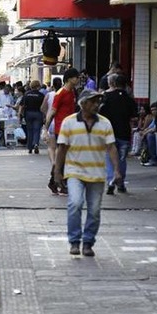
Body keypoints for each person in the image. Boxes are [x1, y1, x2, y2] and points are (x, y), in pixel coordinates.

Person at [54, 89, 121, 258]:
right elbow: (62, 148)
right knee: (75, 203)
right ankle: (75, 241)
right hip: (74, 171)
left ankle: (88, 242)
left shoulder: (105, 123)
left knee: (94, 210)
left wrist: (117, 171)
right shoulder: (69, 122)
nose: (96, 105)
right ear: (83, 104)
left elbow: (111, 147)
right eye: (93, 102)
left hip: (97, 173)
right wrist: (57, 172)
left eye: (98, 102)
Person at [99, 74, 137, 195]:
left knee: (109, 158)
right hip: (124, 132)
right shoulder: (130, 99)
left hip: (109, 132)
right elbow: (134, 117)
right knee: (122, 159)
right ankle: (121, 183)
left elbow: (100, 113)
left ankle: (111, 181)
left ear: (113, 84)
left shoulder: (106, 97)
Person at [44, 68, 80, 195]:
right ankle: (59, 182)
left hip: (70, 129)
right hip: (61, 129)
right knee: (63, 156)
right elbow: (52, 112)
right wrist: (45, 130)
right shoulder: (61, 93)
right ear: (69, 78)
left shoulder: (72, 92)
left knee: (65, 157)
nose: (78, 79)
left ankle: (54, 182)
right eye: (76, 77)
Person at [41, 77, 63, 193]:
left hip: (52, 123)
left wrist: (47, 114)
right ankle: (58, 164)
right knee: (61, 148)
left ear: (53, 85)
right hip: (62, 123)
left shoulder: (49, 95)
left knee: (51, 147)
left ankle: (54, 162)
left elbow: (42, 108)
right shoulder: (64, 94)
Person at [21, 80, 45, 154]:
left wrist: (21, 114)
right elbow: (43, 107)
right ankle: (36, 144)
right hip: (38, 113)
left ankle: (30, 147)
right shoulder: (41, 95)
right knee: (37, 130)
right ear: (38, 86)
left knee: (29, 130)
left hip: (28, 113)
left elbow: (22, 105)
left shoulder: (26, 94)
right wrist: (44, 116)